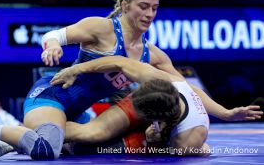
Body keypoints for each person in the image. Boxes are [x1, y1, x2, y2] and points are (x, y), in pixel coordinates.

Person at [0, 0, 163, 161]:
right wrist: (53, 46)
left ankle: (11, 141)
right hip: (51, 96)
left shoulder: (151, 54)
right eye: (143, 6)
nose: (150, 14)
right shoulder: (102, 28)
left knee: (93, 149)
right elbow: (52, 36)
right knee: (48, 149)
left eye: (154, 8)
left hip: (76, 114)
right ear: (125, 6)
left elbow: (179, 84)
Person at [50, 56, 262, 156]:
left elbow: (203, 150)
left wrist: (157, 140)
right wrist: (77, 69)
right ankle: (42, 131)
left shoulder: (188, 139)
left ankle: (59, 138)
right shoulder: (171, 82)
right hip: (150, 99)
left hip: (163, 122)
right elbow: (118, 61)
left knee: (94, 149)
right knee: (94, 133)